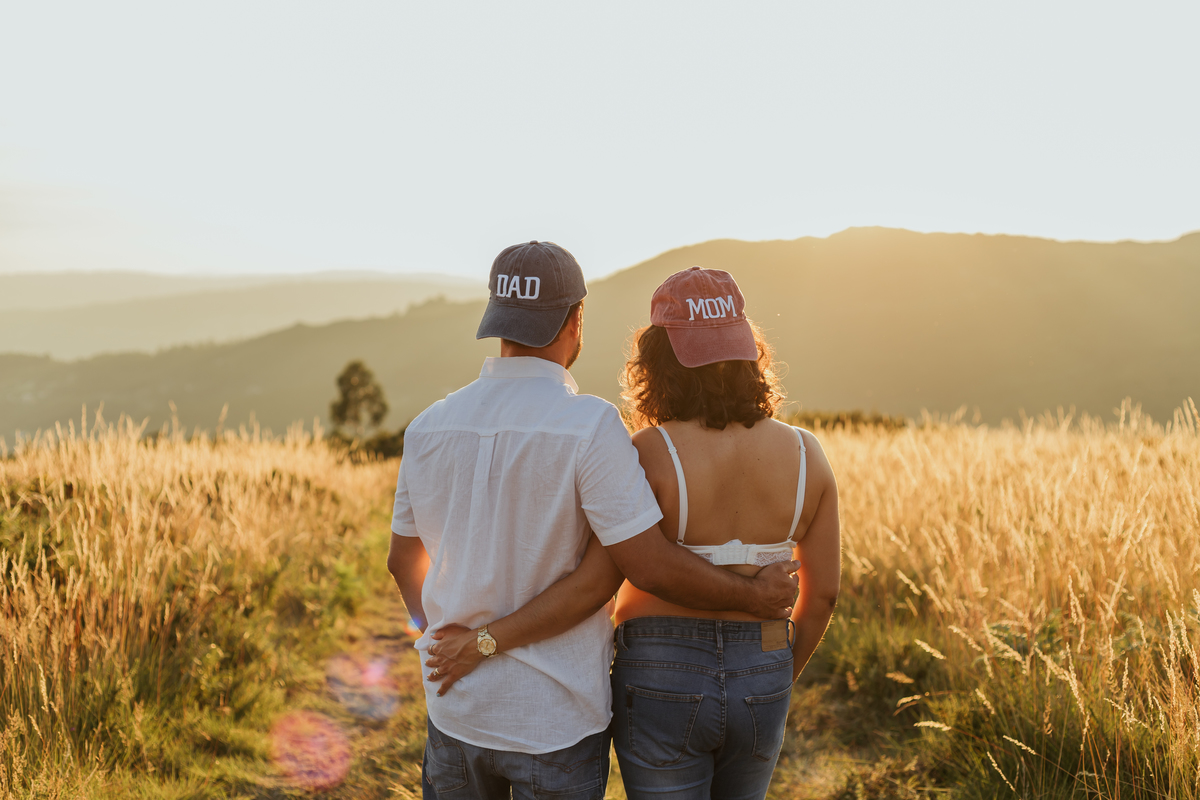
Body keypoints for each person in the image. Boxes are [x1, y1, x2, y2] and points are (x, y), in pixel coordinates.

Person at [387, 242, 800, 800]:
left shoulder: (427, 427)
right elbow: (630, 568)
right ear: (575, 320)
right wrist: (751, 598)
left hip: (456, 708)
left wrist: (442, 636)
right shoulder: (590, 426)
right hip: (554, 720)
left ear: (496, 319)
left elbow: (402, 559)